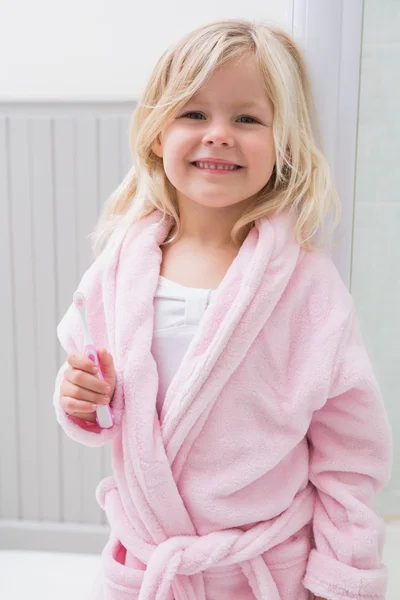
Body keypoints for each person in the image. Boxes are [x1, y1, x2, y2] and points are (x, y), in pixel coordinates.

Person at [53, 19, 392, 600]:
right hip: (150, 566)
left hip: (264, 573)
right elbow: (102, 411)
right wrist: (81, 401)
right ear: (158, 133)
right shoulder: (118, 269)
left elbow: (350, 452)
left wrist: (343, 577)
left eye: (247, 118)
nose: (218, 134)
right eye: (193, 114)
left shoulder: (308, 287)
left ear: (283, 142)